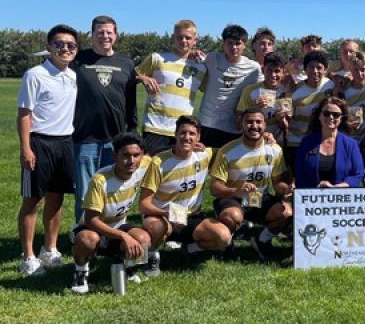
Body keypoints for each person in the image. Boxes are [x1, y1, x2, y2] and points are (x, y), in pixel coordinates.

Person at [17, 24, 79, 276]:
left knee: (57, 198)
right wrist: (26, 148)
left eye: (71, 45)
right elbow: (24, 114)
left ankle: (50, 249)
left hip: (66, 143)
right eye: (59, 44)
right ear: (49, 47)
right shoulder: (35, 74)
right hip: (39, 142)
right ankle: (28, 256)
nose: (65, 49)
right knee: (33, 200)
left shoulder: (74, 75)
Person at [139, 116, 230, 275]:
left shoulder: (205, 155)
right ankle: (152, 256)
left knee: (223, 237)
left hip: (192, 217)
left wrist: (265, 138)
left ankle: (190, 249)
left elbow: (234, 149)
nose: (187, 137)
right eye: (183, 133)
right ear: (175, 134)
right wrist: (165, 213)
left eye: (192, 134)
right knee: (156, 226)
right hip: (163, 217)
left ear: (199, 137)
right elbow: (143, 204)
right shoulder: (159, 162)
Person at [71, 15, 137, 222]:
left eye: (109, 32)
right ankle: (83, 233)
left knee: (114, 187)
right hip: (84, 136)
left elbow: (131, 101)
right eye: (100, 32)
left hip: (115, 138)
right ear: (92, 35)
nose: (104, 36)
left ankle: (114, 231)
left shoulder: (126, 63)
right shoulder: (78, 60)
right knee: (85, 190)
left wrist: (131, 132)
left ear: (116, 35)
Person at [70, 133, 152, 294]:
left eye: (136, 155)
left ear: (142, 155)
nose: (132, 161)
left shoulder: (143, 165)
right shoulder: (100, 180)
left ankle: (128, 268)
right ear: (115, 155)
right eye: (126, 155)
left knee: (144, 239)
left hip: (119, 225)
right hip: (92, 228)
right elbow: (91, 220)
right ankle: (80, 271)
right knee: (88, 240)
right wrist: (124, 236)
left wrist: (197, 146)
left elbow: (163, 156)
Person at [209, 108, 293, 258]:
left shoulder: (274, 149)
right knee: (232, 216)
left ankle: (261, 240)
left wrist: (286, 190)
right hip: (233, 198)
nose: (254, 126)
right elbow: (214, 189)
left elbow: (277, 183)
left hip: (260, 197)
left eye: (258, 122)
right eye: (249, 122)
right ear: (241, 124)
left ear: (265, 125)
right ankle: (227, 243)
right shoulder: (227, 151)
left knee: (286, 212)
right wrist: (236, 190)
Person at [136, 19, 207, 155]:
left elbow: (208, 87)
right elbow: (131, 76)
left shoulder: (201, 67)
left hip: (183, 130)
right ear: (173, 38)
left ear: (195, 41)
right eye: (180, 37)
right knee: (152, 171)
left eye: (188, 38)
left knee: (177, 173)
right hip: (155, 127)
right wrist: (143, 78)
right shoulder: (157, 58)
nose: (184, 41)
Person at [197, 24, 262, 148]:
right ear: (223, 44)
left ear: (244, 45)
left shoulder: (253, 68)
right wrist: (193, 53)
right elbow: (190, 59)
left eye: (238, 43)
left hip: (233, 127)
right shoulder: (212, 58)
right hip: (206, 124)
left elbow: (265, 86)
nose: (234, 47)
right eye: (230, 43)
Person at [295, 97, 365, 189]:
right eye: (326, 114)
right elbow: (299, 173)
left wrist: (338, 187)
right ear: (319, 116)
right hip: (311, 198)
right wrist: (315, 189)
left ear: (341, 118)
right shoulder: (307, 142)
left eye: (336, 115)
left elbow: (358, 174)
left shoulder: (351, 144)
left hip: (342, 198)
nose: (331, 117)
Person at [284, 51, 335, 167]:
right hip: (297, 142)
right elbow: (287, 117)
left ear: (325, 69)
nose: (315, 71)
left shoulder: (332, 86)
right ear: (305, 69)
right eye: (311, 67)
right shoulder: (295, 91)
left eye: (319, 67)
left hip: (321, 141)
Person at [237, 53, 291, 144]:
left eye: (277, 71)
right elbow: (238, 123)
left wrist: (281, 119)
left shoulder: (286, 92)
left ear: (284, 72)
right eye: (269, 70)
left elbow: (286, 127)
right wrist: (254, 110)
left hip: (278, 144)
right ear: (262, 70)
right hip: (254, 142)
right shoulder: (250, 91)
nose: (273, 75)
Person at [335, 51, 365, 141]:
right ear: (350, 69)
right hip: (352, 138)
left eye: (363, 69)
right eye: (355, 70)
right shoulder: (344, 91)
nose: (360, 74)